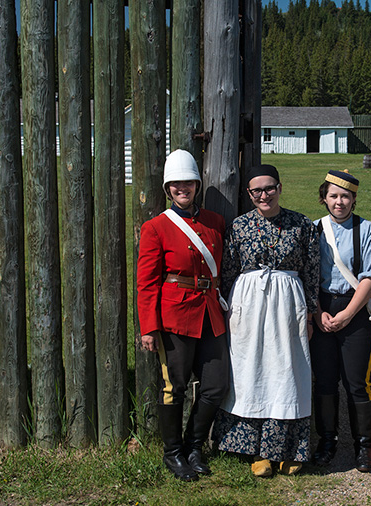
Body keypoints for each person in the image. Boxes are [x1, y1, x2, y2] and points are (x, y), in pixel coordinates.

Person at [211, 164, 320, 477]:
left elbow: (312, 272)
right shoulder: (239, 226)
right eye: (257, 190)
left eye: (269, 188)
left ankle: (288, 450)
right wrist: (231, 310)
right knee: (251, 373)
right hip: (249, 307)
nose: (263, 195)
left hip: (288, 305)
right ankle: (258, 453)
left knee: (287, 374)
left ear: (279, 188)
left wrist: (310, 314)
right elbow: (229, 271)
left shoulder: (301, 225)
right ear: (249, 193)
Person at [137, 149, 229, 482]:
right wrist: (149, 326)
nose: (182, 189)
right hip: (174, 315)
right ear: (168, 188)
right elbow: (146, 282)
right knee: (173, 386)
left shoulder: (215, 222)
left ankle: (194, 446)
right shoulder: (156, 227)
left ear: (197, 184)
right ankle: (173, 453)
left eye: (188, 183)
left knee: (216, 385)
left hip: (210, 314)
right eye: (176, 185)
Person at [311, 170, 371, 473]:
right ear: (324, 198)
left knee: (357, 381)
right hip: (322, 309)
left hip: (355, 310)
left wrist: (347, 314)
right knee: (325, 380)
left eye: (345, 196)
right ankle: (327, 441)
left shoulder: (366, 230)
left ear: (353, 199)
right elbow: (308, 274)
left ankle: (363, 444)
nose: (339, 202)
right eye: (333, 196)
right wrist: (318, 314)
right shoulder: (313, 229)